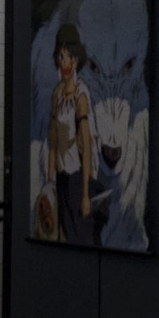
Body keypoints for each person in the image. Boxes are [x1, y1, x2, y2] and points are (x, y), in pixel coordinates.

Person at [46, 23, 100, 244]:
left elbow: (86, 146)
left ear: (76, 59)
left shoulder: (81, 96)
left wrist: (86, 194)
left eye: (67, 57)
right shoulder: (57, 94)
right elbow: (52, 143)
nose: (63, 62)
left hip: (77, 178)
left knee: (78, 234)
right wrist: (49, 182)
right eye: (60, 56)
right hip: (60, 178)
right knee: (60, 234)